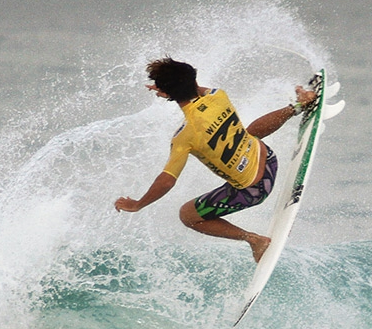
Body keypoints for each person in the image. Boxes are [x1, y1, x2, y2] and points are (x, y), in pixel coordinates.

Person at [114, 57, 316, 262]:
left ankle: (253, 240)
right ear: (193, 80)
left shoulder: (183, 136)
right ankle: (299, 106)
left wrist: (137, 205)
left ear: (166, 94)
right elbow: (194, 88)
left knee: (187, 215)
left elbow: (167, 180)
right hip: (269, 159)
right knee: (246, 134)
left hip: (255, 190)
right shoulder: (217, 96)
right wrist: (173, 86)